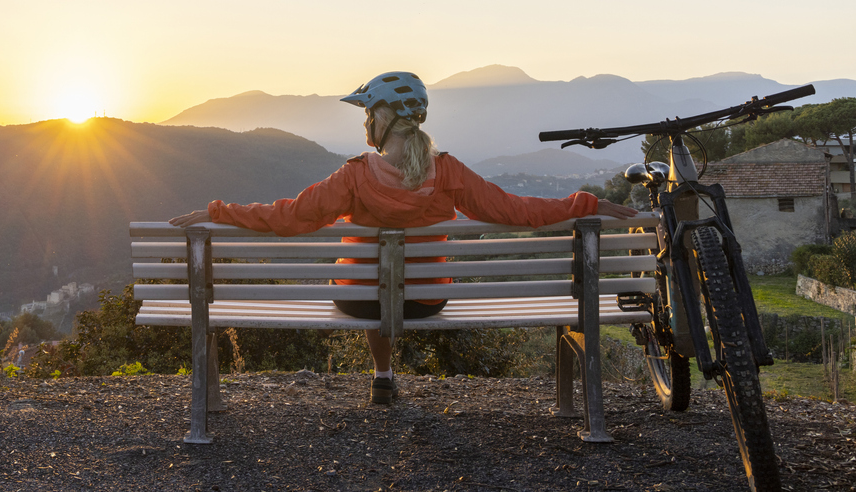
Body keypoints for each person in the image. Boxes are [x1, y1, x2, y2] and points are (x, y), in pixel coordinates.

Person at [169, 71, 637, 405]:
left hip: (360, 303)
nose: (364, 123)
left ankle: (383, 373)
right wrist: (583, 203)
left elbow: (290, 217)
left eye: (367, 113)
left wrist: (219, 210)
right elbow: (516, 210)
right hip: (426, 300)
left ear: (384, 118)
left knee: (366, 281)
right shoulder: (448, 170)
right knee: (390, 282)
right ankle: (385, 371)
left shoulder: (353, 175)